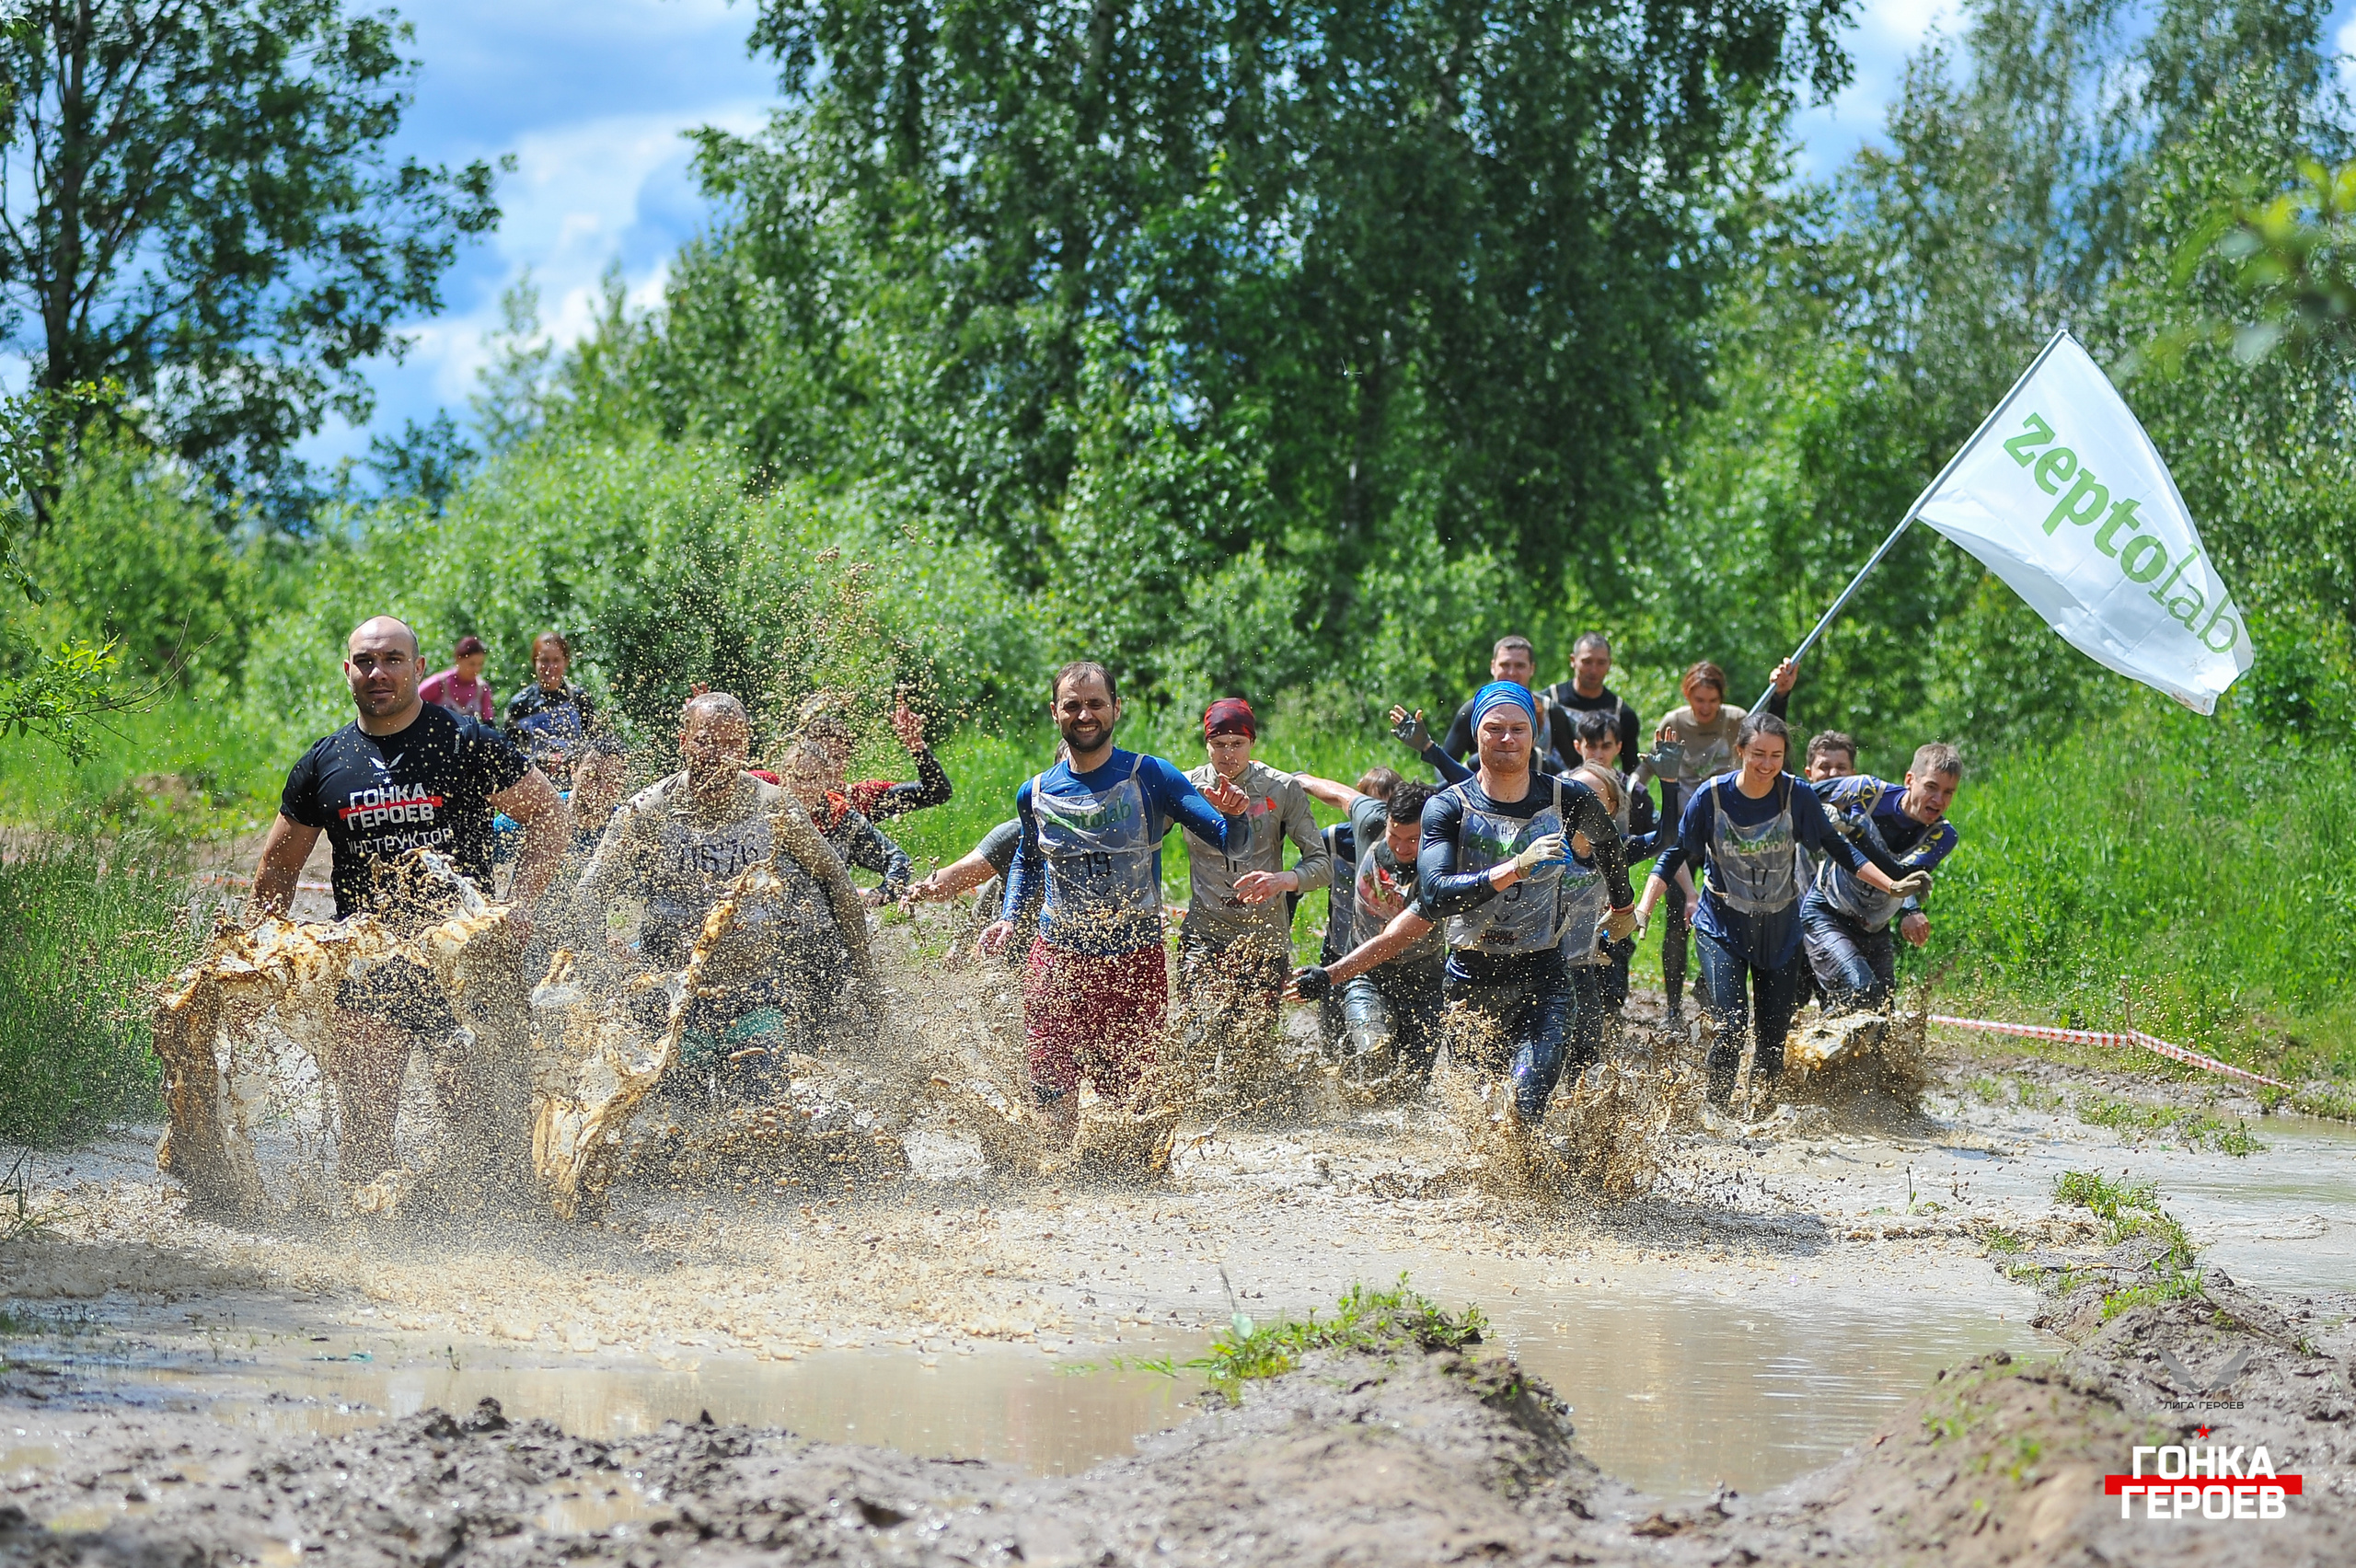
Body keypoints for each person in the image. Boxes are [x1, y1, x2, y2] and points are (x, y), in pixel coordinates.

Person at [251, 616, 571, 1183]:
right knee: (366, 1132)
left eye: (393, 660)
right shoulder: (324, 763)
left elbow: (549, 815)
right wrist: (262, 956)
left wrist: (519, 909)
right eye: (367, 662)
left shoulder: (467, 741)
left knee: (483, 1131)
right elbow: (278, 867)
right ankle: (373, 1248)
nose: (379, 673)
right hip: (372, 957)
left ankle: (499, 1250)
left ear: (418, 669)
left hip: (465, 958)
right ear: (347, 672)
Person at [979, 663, 1250, 1145]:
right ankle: (1053, 1169)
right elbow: (1026, 858)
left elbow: (1228, 840)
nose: (1085, 714)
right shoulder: (1036, 792)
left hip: (1133, 958)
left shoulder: (1151, 776)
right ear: (1056, 713)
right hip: (1057, 955)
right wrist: (1007, 917)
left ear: (1116, 708)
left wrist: (1237, 814)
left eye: (1096, 704)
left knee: (1129, 1088)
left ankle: (1125, 1177)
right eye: (1073, 705)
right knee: (1049, 1072)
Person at [1634, 711, 1929, 1106]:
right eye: (1757, 754)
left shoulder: (1797, 795)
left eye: (1775, 755)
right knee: (1732, 1027)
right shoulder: (1712, 796)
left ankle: (1762, 1112)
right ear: (1740, 751)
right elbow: (1674, 853)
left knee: (1773, 1038)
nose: (1766, 765)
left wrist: (1892, 884)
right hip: (1722, 925)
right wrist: (1643, 907)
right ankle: (1715, 1110)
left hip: (1780, 928)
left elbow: (1840, 850)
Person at [575, 692, 870, 1077]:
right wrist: (599, 974)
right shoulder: (649, 810)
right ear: (684, 741)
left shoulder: (773, 806)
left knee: (760, 1110)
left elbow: (835, 880)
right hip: (671, 995)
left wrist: (864, 974)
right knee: (679, 1119)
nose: (719, 755)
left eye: (732, 744)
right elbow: (590, 893)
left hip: (756, 989)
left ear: (746, 746)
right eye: (706, 741)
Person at [1417, 681, 1636, 1127]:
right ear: (1477, 734)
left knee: (1525, 1100)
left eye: (1518, 729)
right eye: (1494, 729)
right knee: (1481, 1109)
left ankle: (1532, 1188)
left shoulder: (1566, 798)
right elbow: (1435, 894)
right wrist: (1514, 867)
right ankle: (1489, 1189)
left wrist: (1623, 906)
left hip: (1542, 970)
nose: (1506, 740)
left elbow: (1610, 845)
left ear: (1534, 736)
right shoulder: (1448, 806)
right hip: (1470, 973)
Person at [1173, 698, 1331, 1101]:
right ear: (1206, 744)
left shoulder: (1280, 788)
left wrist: (1283, 879)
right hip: (1206, 928)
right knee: (1198, 1029)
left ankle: (1255, 1119)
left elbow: (1321, 864)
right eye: (1219, 744)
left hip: (1263, 934)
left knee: (1252, 1048)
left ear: (1252, 743)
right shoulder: (1186, 787)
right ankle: (1189, 1117)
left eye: (1237, 744)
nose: (1229, 754)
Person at [1629, 660, 1795, 1027]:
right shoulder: (1673, 722)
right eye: (1699, 700)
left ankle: (1710, 989)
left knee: (1731, 914)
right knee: (1678, 916)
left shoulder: (1737, 718)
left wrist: (1781, 693)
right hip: (1688, 828)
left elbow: (1767, 741)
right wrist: (1634, 785)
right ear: (1688, 696)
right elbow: (1653, 765)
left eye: (1712, 701)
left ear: (1722, 698)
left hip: (1729, 830)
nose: (1706, 709)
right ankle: (1673, 1007)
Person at [1288, 776, 1447, 1086]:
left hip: (1425, 980)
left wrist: (1328, 974)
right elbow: (1340, 795)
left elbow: (1392, 940)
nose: (1400, 847)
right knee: (1373, 1050)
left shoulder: (1440, 863)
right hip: (1366, 975)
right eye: (1394, 835)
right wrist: (1292, 780)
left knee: (1412, 1083)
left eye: (1412, 840)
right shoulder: (1371, 822)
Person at [1801, 744, 1962, 1015]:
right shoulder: (1867, 791)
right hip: (1828, 913)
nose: (1938, 800)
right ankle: (1813, 1051)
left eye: (1948, 792)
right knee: (1862, 992)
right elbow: (1800, 795)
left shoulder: (1942, 835)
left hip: (1875, 929)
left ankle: (1827, 1048)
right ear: (1910, 780)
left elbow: (1899, 874)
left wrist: (1853, 830)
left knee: (1882, 1018)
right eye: (1932, 787)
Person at [778, 740, 915, 904]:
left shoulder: (841, 817)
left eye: (814, 778)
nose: (807, 787)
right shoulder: (766, 810)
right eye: (798, 778)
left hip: (823, 916)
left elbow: (899, 860)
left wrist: (885, 891)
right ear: (783, 778)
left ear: (826, 779)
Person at [792, 698, 953, 823]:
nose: (829, 766)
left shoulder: (860, 799)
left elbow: (937, 792)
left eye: (838, 758)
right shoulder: (778, 789)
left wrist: (914, 743)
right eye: (821, 756)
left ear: (848, 761)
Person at [1436, 636, 1571, 772]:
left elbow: (1575, 766)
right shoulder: (1472, 711)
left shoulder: (1550, 712)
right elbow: (1443, 766)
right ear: (1493, 667)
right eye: (1505, 665)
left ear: (1532, 669)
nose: (1511, 673)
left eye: (1520, 666)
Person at [505, 631, 597, 790]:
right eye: (544, 660)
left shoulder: (578, 699)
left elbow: (594, 740)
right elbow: (508, 753)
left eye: (556, 660)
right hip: (536, 787)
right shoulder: (520, 704)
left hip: (576, 783)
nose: (550, 667)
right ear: (535, 661)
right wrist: (541, 761)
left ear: (566, 662)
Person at [1541, 632, 1642, 763]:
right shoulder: (1548, 702)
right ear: (1573, 661)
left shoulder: (1621, 713)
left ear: (1609, 664)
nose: (1594, 670)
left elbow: (1631, 767)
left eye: (1601, 663)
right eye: (1587, 662)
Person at [418, 635, 495, 722]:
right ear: (458, 659)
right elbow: (411, 706)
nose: (476, 669)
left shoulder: (482, 689)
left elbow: (488, 722)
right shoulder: (439, 684)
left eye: (480, 664)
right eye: (472, 664)